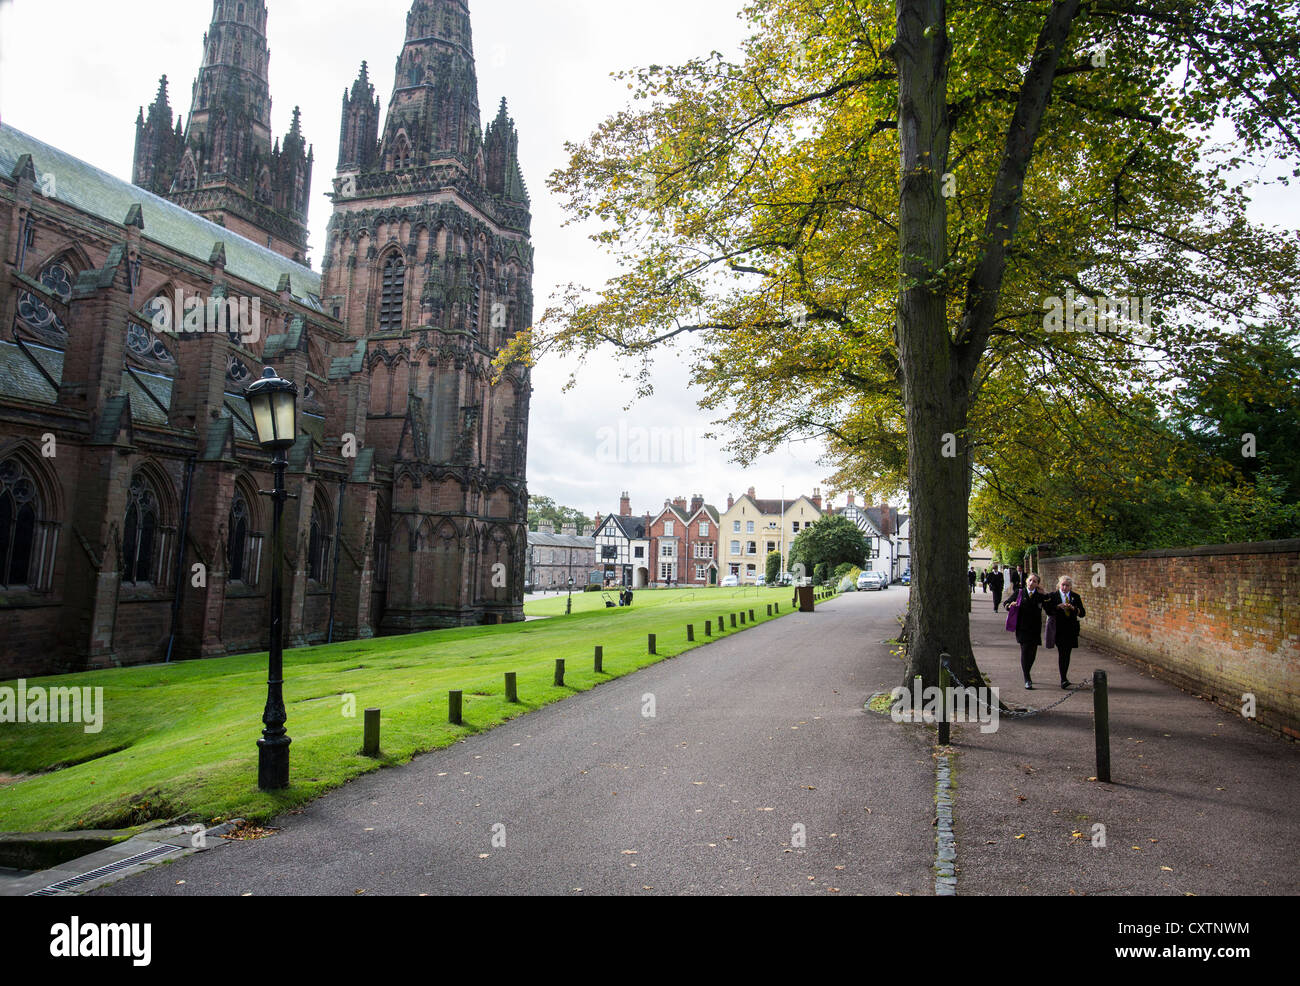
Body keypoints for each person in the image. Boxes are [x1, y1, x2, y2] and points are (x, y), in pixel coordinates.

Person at [1007, 572, 1052, 689]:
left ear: (1038, 584)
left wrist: (1045, 595)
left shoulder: (1039, 595)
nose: (1032, 583)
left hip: (1035, 628)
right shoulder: (1020, 593)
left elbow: (1049, 610)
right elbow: (1006, 603)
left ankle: (1027, 671)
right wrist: (1009, 605)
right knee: (1025, 651)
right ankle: (1027, 678)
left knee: (1032, 653)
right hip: (1022, 628)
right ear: (1026, 581)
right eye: (1030, 580)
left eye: (1035, 581)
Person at [1046, 575, 1085, 688]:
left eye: (1067, 585)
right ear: (1059, 585)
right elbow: (1048, 610)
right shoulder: (1053, 596)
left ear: (1070, 587)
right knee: (1063, 652)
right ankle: (1063, 678)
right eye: (1063, 585)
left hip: (1071, 629)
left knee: (1067, 653)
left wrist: (1074, 609)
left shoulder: (1075, 597)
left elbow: (1082, 613)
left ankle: (1064, 676)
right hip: (1058, 629)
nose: (1064, 587)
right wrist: (1057, 607)